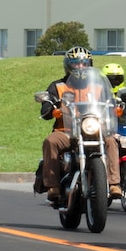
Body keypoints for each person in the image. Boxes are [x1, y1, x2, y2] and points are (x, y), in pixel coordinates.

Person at [35, 47, 105, 204]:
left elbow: (110, 104)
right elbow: (47, 107)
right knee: (50, 141)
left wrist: (116, 108)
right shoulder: (58, 86)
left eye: (84, 63)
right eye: (75, 63)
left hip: (93, 130)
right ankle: (53, 186)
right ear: (68, 65)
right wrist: (51, 108)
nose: (80, 67)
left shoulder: (98, 86)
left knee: (113, 141)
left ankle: (115, 184)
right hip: (66, 131)